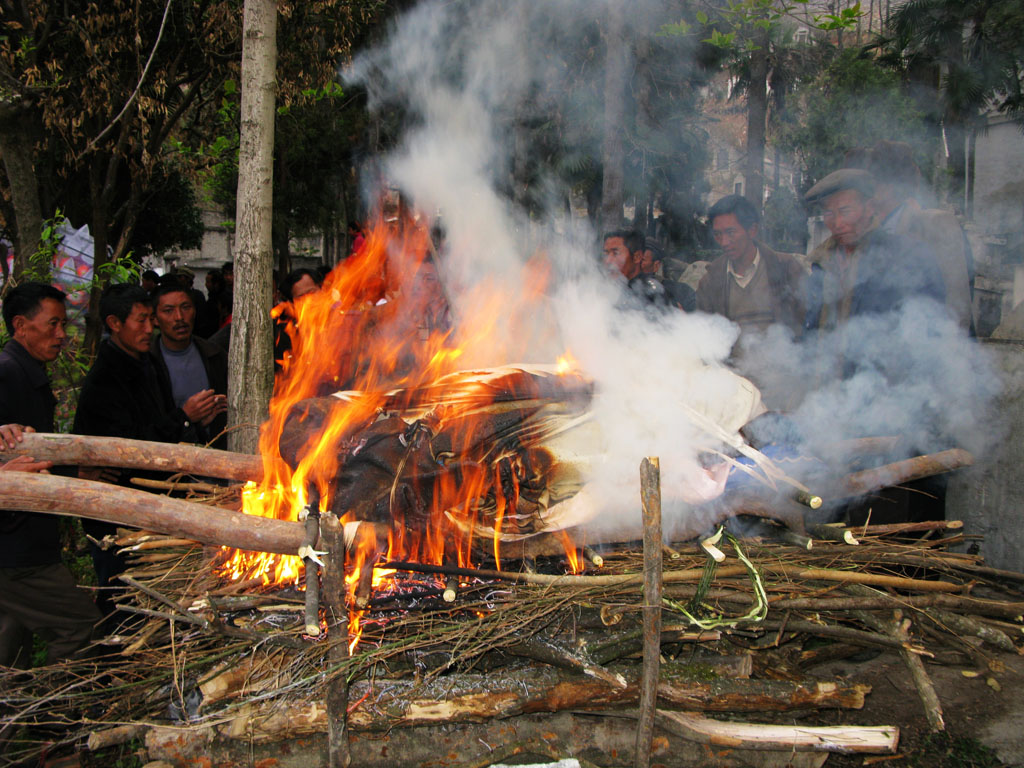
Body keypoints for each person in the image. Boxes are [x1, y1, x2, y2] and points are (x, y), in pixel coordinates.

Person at [73, 284, 225, 616]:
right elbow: (130, 450)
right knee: (122, 596)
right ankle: (114, 663)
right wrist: (184, 417)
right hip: (119, 514)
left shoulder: (146, 362)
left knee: (150, 598)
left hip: (152, 503)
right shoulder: (105, 379)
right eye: (141, 320)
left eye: (148, 320)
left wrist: (194, 421)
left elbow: (159, 423)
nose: (149, 328)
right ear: (114, 323)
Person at [0, 283, 100, 665]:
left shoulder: (29, 375)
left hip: (24, 540)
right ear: (21, 326)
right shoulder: (8, 374)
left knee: (11, 643)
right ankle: (54, 722)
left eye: (64, 324)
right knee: (79, 624)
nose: (61, 335)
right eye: (53, 324)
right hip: (17, 548)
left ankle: (22, 717)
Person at [805, 168, 947, 360]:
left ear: (870, 207)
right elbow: (812, 333)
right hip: (829, 385)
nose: (837, 223)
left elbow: (929, 333)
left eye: (845, 211)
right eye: (829, 213)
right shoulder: (821, 263)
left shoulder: (909, 257)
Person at [863, 140, 974, 333]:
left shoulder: (936, 224)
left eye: (873, 182)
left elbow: (957, 301)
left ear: (889, 186)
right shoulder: (869, 230)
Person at [696, 194, 807, 338]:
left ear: (752, 230)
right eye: (718, 234)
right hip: (729, 361)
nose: (724, 242)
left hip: (782, 358)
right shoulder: (710, 281)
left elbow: (807, 324)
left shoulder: (786, 268)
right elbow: (705, 334)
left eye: (731, 232)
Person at [150, 282, 229, 447]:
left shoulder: (215, 355)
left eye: (186, 307)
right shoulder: (147, 362)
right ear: (155, 319)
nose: (179, 317)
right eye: (168, 311)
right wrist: (187, 417)